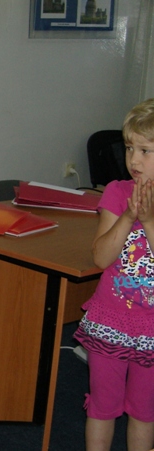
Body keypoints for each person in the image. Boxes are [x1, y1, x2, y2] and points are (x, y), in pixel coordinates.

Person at [74, 97, 154, 451]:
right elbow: (102, 256)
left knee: (144, 412)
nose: (133, 160)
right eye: (129, 148)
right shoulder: (117, 191)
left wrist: (148, 221)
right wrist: (128, 216)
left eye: (146, 151)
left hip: (151, 327)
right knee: (102, 407)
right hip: (111, 319)